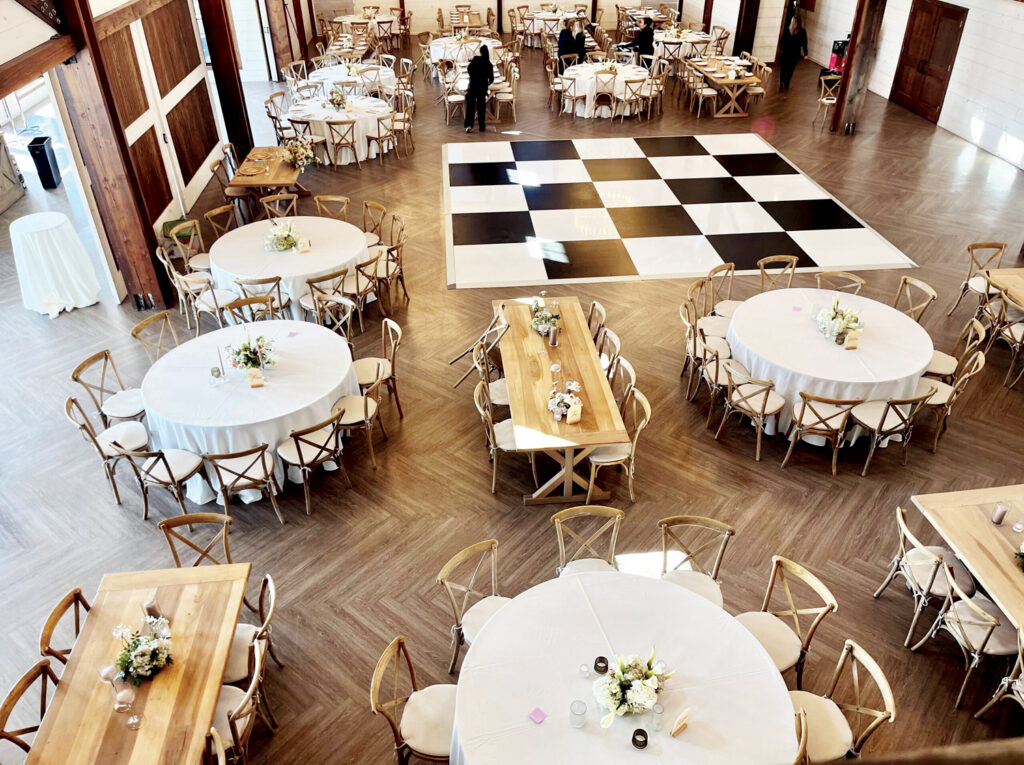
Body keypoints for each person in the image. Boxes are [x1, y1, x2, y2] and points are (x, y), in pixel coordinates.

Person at [465, 45, 494, 133]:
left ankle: (469, 125)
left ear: (480, 52)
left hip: (473, 86)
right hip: (482, 88)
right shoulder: (489, 65)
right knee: (481, 107)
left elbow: (469, 69)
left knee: (470, 106)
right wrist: (486, 83)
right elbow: (491, 79)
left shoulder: (475, 59)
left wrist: (472, 77)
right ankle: (481, 126)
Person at [779, 14, 808, 91]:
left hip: (785, 52)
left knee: (783, 68)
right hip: (794, 54)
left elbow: (782, 41)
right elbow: (804, 43)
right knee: (790, 69)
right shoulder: (802, 32)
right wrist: (805, 53)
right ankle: (786, 83)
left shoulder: (787, 30)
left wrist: (781, 49)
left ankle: (781, 81)